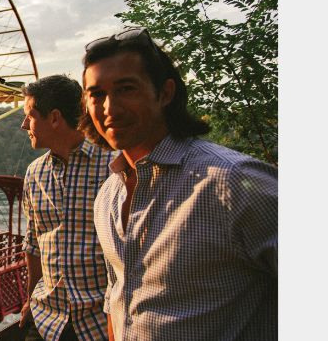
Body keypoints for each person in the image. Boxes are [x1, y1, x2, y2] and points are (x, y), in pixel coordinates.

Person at [80, 27, 277, 341]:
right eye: (97, 94)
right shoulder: (108, 195)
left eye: (126, 89)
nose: (110, 108)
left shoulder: (231, 183)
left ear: (165, 93)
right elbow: (117, 297)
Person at [18, 74, 114, 341]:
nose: (24, 124)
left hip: (100, 322)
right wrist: (28, 300)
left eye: (31, 115)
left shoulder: (114, 166)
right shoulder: (34, 173)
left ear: (55, 118)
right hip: (46, 319)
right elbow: (34, 244)